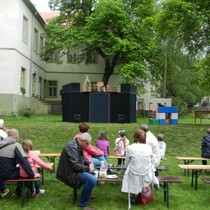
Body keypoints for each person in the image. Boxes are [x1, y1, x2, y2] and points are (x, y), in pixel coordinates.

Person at [56, 132, 97, 210]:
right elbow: (75, 165)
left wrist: (89, 164)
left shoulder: (77, 144)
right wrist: (87, 168)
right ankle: (82, 204)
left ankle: (87, 193)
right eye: (87, 143)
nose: (88, 145)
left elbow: (83, 157)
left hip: (74, 170)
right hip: (69, 173)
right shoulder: (72, 147)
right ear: (82, 141)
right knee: (92, 180)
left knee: (94, 172)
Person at [121, 128, 158, 210]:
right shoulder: (148, 148)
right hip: (147, 174)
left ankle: (134, 195)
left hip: (133, 174)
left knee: (129, 170)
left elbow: (126, 163)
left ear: (135, 137)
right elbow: (150, 162)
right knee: (137, 172)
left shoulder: (130, 148)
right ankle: (139, 194)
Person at [0, 129, 40, 198]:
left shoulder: (1, 144)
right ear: (16, 137)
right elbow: (24, 162)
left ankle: (5, 190)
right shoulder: (16, 145)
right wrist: (32, 175)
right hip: (9, 174)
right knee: (23, 172)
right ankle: (19, 192)